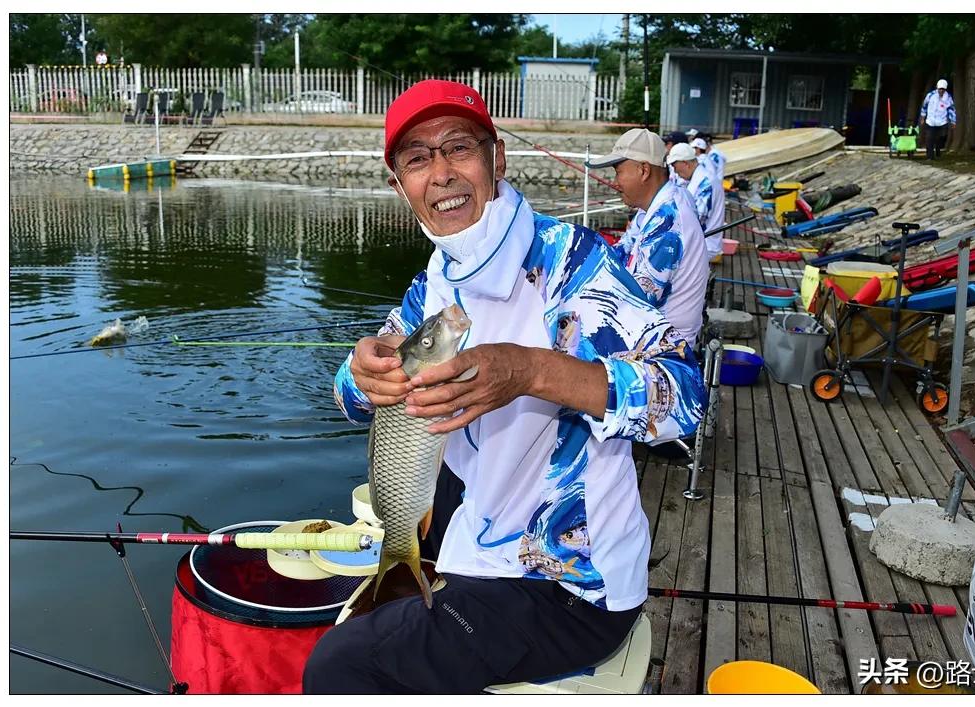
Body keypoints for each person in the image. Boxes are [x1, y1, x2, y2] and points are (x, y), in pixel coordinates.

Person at [305, 80, 707, 694]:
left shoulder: (574, 263)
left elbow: (683, 394)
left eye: (457, 148)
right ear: (400, 186)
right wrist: (360, 373)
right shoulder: (436, 282)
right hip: (476, 532)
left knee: (338, 665)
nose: (440, 173)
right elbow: (349, 395)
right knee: (387, 582)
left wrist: (532, 371)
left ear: (497, 159)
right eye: (417, 158)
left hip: (567, 586)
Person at [587, 128, 711, 350]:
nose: (615, 182)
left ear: (643, 170)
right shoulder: (656, 207)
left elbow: (637, 300)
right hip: (650, 331)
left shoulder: (668, 222)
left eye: (618, 172)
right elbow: (621, 250)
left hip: (665, 350)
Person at [666, 142, 725, 261]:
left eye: (674, 165)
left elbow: (696, 220)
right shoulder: (698, 179)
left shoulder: (706, 184)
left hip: (706, 245)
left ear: (685, 163)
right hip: (699, 242)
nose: (675, 171)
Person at [920, 79, 957, 160]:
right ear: (937, 88)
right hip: (930, 121)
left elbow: (951, 110)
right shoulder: (930, 95)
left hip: (942, 121)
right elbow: (924, 106)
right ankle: (930, 157)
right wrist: (923, 117)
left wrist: (953, 121)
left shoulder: (948, 98)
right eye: (940, 89)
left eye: (943, 89)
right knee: (929, 139)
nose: (941, 91)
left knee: (941, 137)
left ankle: (938, 149)